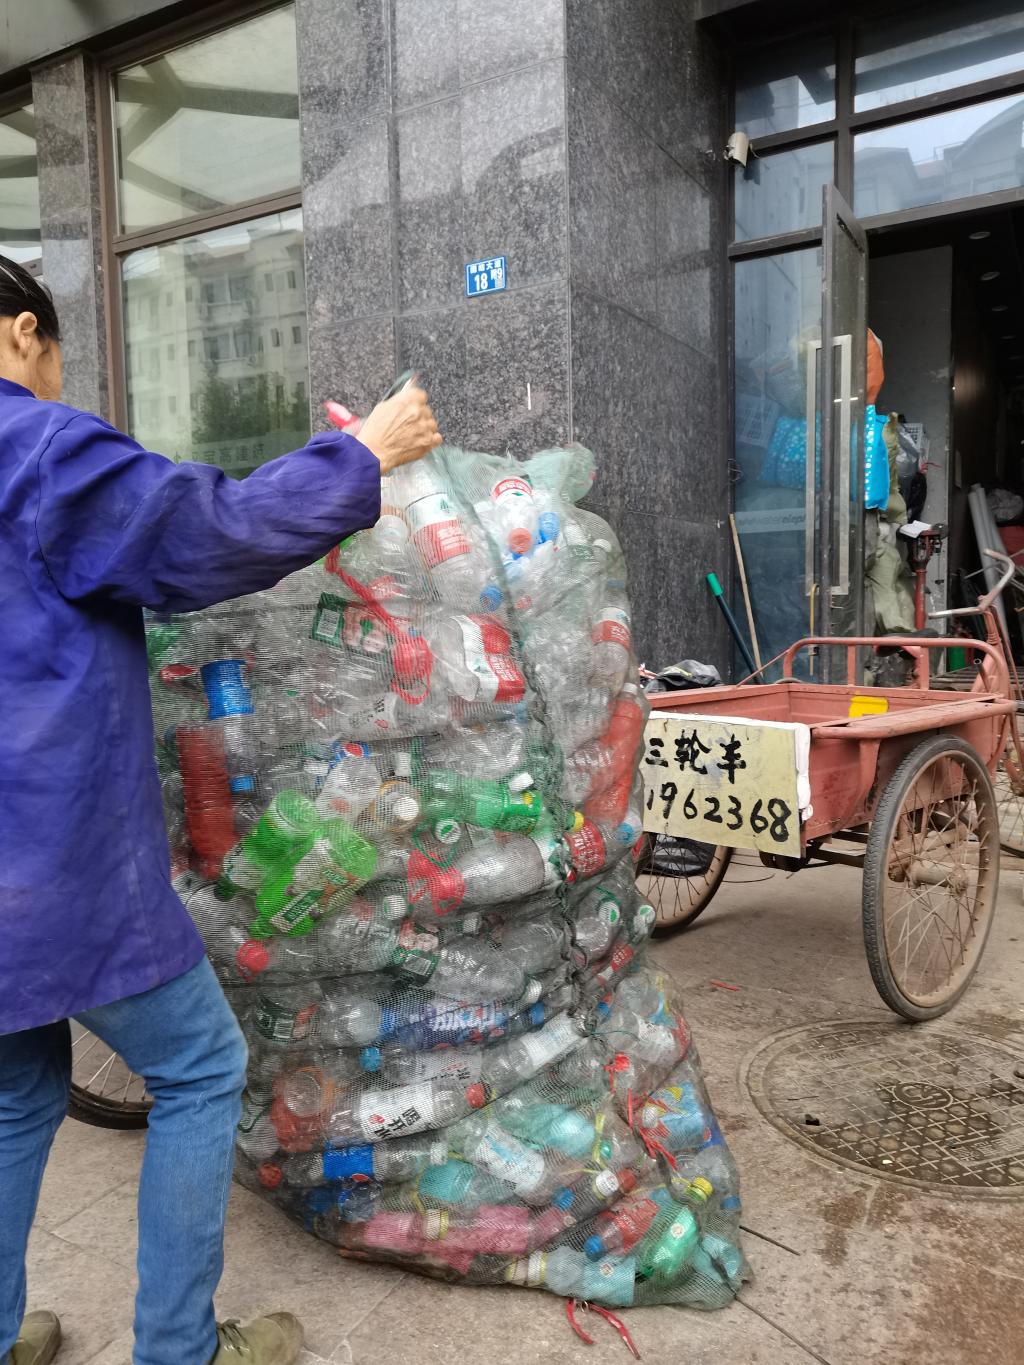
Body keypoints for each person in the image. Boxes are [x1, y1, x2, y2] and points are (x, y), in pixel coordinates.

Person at [0, 254, 442, 1365]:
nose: (53, 382)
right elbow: (206, 530)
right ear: (21, 334)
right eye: (53, 359)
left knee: (14, 1095)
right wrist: (362, 455)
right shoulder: (36, 451)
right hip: (51, 867)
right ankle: (178, 1349)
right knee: (199, 1068)